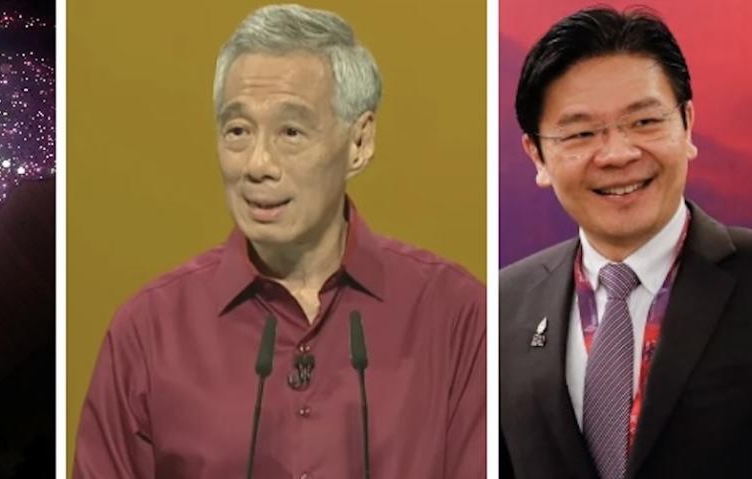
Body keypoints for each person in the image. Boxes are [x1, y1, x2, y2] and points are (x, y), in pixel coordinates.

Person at [74, 4, 485, 478]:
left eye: (290, 132)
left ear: (359, 142)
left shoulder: (455, 315)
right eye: (237, 131)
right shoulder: (149, 331)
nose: (257, 164)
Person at [499, 6, 752, 479]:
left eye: (644, 122)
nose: (618, 154)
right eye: (581, 133)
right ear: (537, 154)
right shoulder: (502, 305)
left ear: (687, 125)